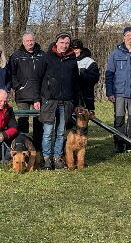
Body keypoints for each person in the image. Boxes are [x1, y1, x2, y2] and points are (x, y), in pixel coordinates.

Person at [38, 32, 79, 170]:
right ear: (56, 43)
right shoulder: (47, 57)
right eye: (62, 43)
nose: (64, 45)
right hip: (50, 101)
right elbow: (39, 78)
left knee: (61, 132)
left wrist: (75, 102)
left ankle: (57, 157)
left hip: (66, 101)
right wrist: (39, 98)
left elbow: (75, 82)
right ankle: (46, 158)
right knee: (48, 132)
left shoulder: (72, 60)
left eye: (67, 43)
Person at [9, 30, 45, 150]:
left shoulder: (42, 55)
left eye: (31, 40)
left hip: (38, 94)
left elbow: (46, 75)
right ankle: (22, 145)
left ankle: (37, 147)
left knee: (38, 121)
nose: (30, 43)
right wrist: (18, 86)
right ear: (23, 42)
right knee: (23, 120)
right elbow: (11, 74)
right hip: (22, 94)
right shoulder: (16, 56)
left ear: (34, 41)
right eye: (27, 41)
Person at [71, 39, 100, 111]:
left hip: (85, 96)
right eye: (73, 49)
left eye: (76, 49)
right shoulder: (67, 60)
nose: (74, 52)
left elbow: (94, 78)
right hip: (71, 97)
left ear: (81, 50)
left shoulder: (89, 62)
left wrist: (80, 75)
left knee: (83, 120)